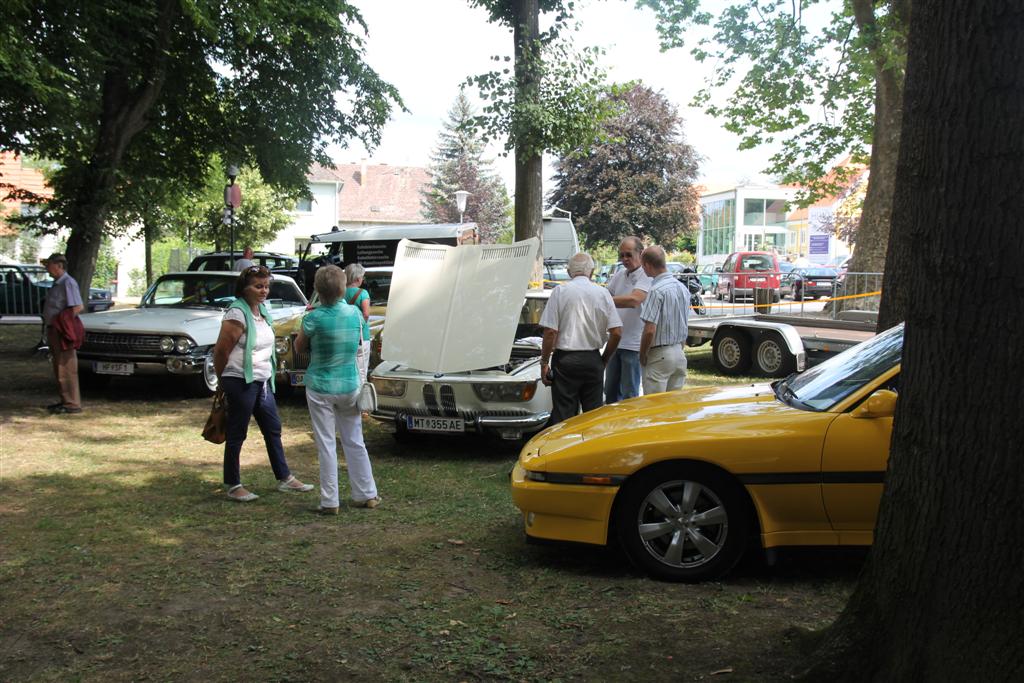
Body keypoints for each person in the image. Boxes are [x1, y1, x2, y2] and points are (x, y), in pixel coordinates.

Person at [213, 265, 313, 502]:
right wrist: (222, 381)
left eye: (266, 286)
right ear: (244, 288)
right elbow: (220, 351)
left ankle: (284, 477)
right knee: (237, 432)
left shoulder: (262, 311)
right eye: (258, 286)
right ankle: (233, 484)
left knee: (273, 427)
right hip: (239, 380)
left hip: (262, 381)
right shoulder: (236, 314)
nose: (264, 291)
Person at [294, 266, 380, 514]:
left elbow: (299, 348)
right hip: (350, 385)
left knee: (326, 443)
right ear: (344, 287)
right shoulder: (354, 314)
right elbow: (360, 345)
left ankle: (330, 500)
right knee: (355, 440)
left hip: (320, 386)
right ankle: (367, 494)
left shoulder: (313, 318)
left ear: (317, 290)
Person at [539, 252, 622, 426]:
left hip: (565, 360)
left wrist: (544, 362)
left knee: (564, 414)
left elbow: (550, 332)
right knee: (593, 416)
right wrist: (604, 359)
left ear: (569, 272)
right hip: (592, 358)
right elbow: (617, 332)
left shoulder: (560, 292)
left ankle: (563, 450)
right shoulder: (603, 293)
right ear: (591, 272)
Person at [603, 236, 651, 403]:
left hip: (634, 345)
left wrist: (605, 301)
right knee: (610, 393)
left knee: (630, 396)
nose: (624, 259)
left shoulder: (646, 275)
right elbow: (606, 294)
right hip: (616, 342)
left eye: (628, 255)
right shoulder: (619, 275)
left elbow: (634, 300)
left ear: (641, 253)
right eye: (622, 255)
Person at [638, 246, 691, 395]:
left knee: (654, 407)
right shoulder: (682, 288)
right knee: (673, 407)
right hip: (679, 353)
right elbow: (684, 322)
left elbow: (649, 330)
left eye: (643, 266)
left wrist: (642, 354)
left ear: (647, 265)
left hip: (659, 354)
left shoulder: (656, 291)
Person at [41, 253, 83, 414]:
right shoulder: (57, 284)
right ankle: (65, 400)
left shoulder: (68, 283)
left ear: (59, 265)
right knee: (58, 366)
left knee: (67, 366)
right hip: (54, 329)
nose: (47, 268)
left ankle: (72, 403)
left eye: (49, 264)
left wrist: (62, 323)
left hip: (62, 330)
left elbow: (77, 307)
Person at [343, 263, 371, 383]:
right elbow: (366, 314)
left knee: (347, 369)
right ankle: (361, 398)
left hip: (344, 336)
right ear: (358, 279)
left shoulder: (340, 292)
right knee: (362, 371)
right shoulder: (363, 293)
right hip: (361, 336)